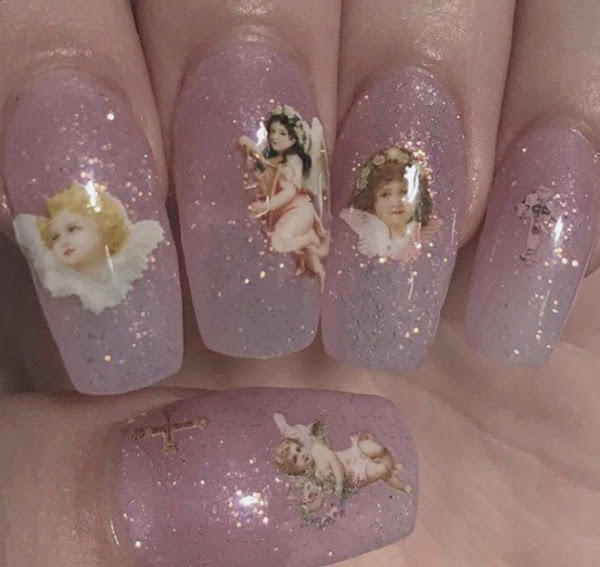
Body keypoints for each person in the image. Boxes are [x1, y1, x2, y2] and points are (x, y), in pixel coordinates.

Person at [13, 182, 164, 314]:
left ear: (102, 227)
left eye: (72, 229)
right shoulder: (64, 280)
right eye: (55, 237)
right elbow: (23, 224)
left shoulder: (127, 261)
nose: (63, 241)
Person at [236, 105, 329, 289]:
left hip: (299, 211)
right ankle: (309, 255)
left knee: (277, 242)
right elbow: (263, 180)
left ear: (293, 139)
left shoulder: (295, 162)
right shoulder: (273, 160)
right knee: (274, 241)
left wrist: (266, 206)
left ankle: (310, 240)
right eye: (272, 131)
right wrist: (249, 150)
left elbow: (289, 193)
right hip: (280, 214)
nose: (274, 136)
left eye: (282, 133)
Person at [340, 147, 439, 262]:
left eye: (404, 192)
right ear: (371, 200)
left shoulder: (424, 234)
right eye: (385, 194)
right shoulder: (366, 236)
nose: (396, 202)